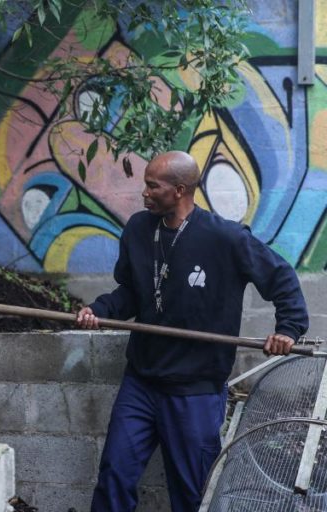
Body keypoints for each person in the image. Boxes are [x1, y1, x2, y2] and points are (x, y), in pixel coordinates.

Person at [76, 151, 309, 512]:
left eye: (153, 186)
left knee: (192, 493)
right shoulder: (139, 230)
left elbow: (281, 278)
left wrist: (288, 330)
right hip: (141, 383)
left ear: (180, 190)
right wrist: (100, 311)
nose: (144, 194)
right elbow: (131, 294)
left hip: (194, 392)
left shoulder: (226, 238)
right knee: (114, 477)